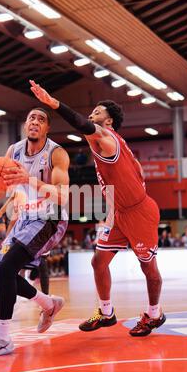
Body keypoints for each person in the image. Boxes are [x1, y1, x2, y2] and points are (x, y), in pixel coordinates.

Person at [30, 80, 165, 337]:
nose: (92, 113)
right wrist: (112, 211)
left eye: (98, 112)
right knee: (98, 261)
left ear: (109, 121)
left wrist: (53, 103)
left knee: (149, 268)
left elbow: (81, 123)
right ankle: (106, 312)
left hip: (139, 213)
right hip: (119, 212)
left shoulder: (107, 137)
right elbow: (134, 173)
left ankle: (155, 314)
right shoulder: (110, 145)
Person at [0, 107, 70, 357]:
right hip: (24, 218)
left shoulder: (56, 154)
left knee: (5, 269)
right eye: (31, 118)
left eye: (41, 119)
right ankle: (49, 303)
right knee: (1, 274)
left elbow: (64, 195)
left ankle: (3, 339)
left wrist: (29, 179)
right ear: (25, 126)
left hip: (50, 217)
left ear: (47, 128)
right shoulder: (13, 152)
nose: (35, 122)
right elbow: (3, 194)